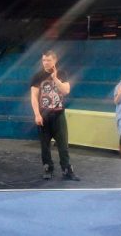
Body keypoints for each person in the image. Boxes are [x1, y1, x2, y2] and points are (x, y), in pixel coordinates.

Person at [30, 50, 79, 180]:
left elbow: (66, 90)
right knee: (45, 146)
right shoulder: (37, 76)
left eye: (48, 60)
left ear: (55, 61)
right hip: (44, 116)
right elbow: (34, 97)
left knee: (63, 145)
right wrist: (37, 115)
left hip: (58, 115)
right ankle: (48, 168)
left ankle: (67, 169)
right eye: (44, 60)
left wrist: (55, 78)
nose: (45, 63)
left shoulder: (62, 74)